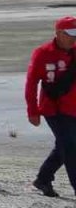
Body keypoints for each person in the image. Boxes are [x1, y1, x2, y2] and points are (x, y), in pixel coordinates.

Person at [25, 16, 76, 198]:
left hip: (73, 107)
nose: (74, 38)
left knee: (63, 146)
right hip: (52, 109)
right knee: (70, 146)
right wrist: (32, 111)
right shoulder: (42, 53)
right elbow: (31, 83)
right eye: (70, 34)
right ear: (58, 33)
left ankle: (42, 179)